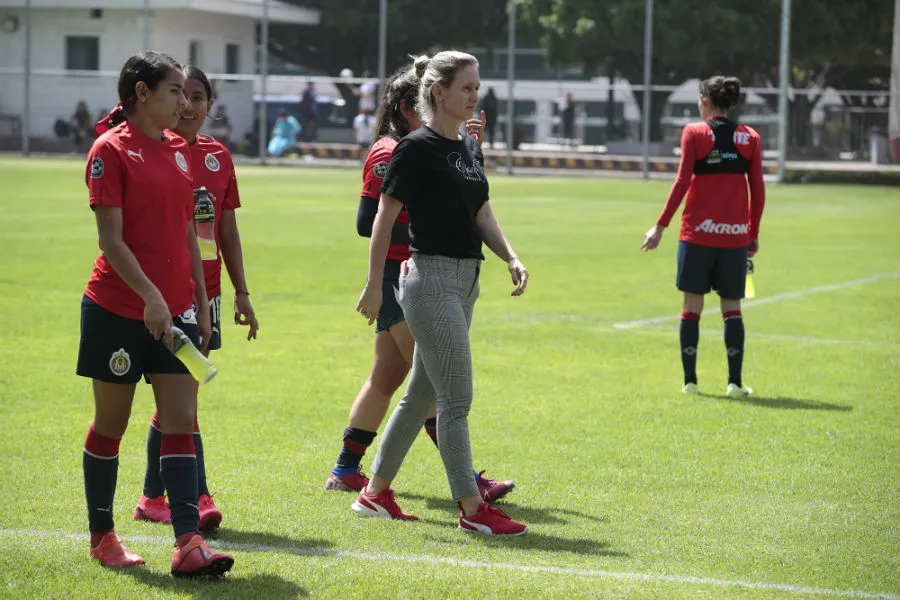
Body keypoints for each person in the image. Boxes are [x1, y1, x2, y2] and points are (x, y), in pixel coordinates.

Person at [355, 52, 530, 535]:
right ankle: (474, 511)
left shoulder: (467, 150)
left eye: (477, 87)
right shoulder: (415, 147)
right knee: (457, 396)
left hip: (465, 280)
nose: (476, 95)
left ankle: (373, 494)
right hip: (429, 279)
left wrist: (510, 256)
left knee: (420, 395)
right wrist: (374, 283)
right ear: (439, 93)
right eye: (467, 88)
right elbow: (383, 219)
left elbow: (482, 212)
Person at [78, 51, 233, 576]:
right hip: (118, 311)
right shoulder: (110, 151)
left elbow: (190, 229)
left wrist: (199, 304)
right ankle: (103, 536)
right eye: (174, 91)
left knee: (181, 420)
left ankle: (188, 542)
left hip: (176, 312)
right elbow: (111, 240)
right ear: (141, 93)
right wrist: (150, 297)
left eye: (188, 93)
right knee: (112, 425)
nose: (184, 103)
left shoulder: (178, 151)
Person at [134, 65, 258, 533]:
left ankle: (152, 494)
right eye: (179, 93)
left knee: (178, 399)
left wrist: (241, 292)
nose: (188, 104)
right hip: (162, 293)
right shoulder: (150, 151)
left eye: (198, 96)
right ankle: (198, 494)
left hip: (206, 294)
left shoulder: (218, 157)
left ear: (210, 105)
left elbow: (226, 228)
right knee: (182, 399)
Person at [640, 75, 766, 398]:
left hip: (697, 235)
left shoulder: (694, 133)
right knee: (732, 307)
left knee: (691, 306)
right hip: (734, 237)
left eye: (699, 99)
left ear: (706, 102)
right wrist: (752, 233)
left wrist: (660, 226)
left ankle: (690, 383)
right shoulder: (749, 138)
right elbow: (758, 190)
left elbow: (682, 181)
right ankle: (735, 384)